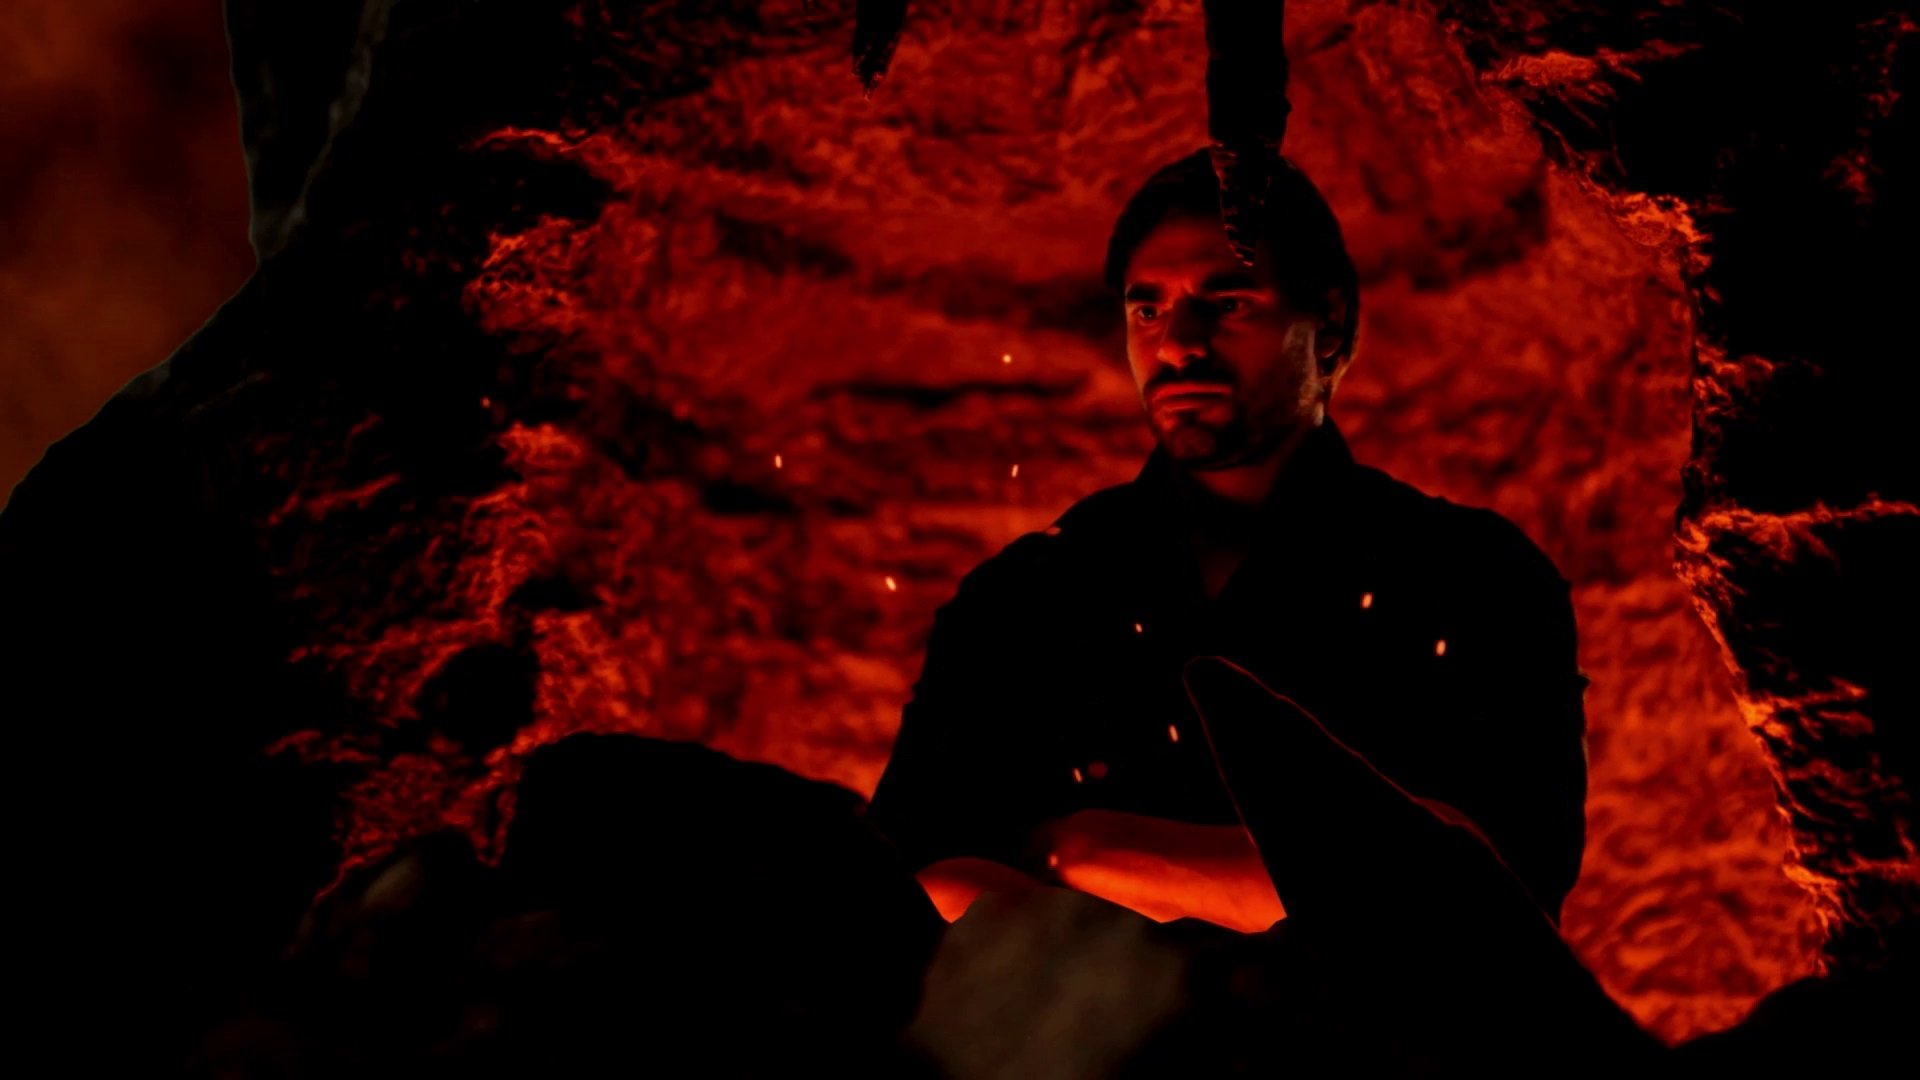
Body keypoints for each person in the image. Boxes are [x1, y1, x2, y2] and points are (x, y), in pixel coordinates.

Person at [866, 149, 1590, 933]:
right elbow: (912, 887)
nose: (1178, 344)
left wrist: (1079, 851)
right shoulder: (1026, 600)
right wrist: (1317, 879)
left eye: (1229, 302)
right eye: (1147, 311)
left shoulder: (1472, 579)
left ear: (1329, 324)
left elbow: (1489, 896)